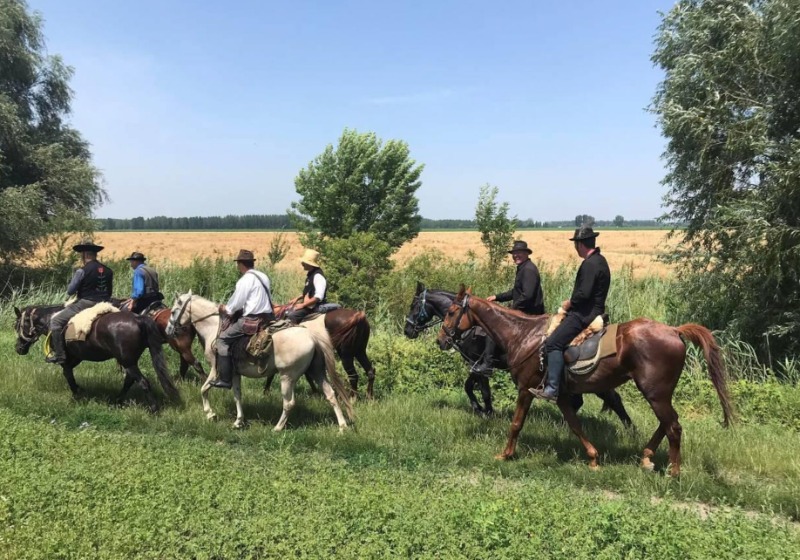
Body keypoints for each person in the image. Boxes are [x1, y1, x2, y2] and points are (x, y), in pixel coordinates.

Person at [530, 226, 611, 402]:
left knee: (552, 343)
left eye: (576, 244)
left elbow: (584, 293)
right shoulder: (601, 260)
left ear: (580, 244)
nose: (575, 248)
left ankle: (552, 389)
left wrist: (569, 303)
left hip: (584, 314)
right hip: (595, 310)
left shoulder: (589, 264)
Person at [471, 240, 545, 376]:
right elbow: (516, 292)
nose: (516, 255)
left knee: (494, 328)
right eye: (514, 253)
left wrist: (511, 309)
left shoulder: (528, 270)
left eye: (519, 253)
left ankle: (488, 364)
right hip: (523, 311)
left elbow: (527, 295)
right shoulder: (523, 267)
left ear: (526, 254)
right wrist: (497, 297)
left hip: (529, 314)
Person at [209, 250, 274, 389]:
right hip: (267, 318)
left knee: (222, 340)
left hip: (251, 320)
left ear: (240, 264)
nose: (238, 267)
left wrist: (224, 309)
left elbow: (234, 305)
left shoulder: (245, 280)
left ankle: (225, 379)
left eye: (238, 264)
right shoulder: (263, 276)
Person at [46, 239, 114, 364]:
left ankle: (60, 355)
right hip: (105, 303)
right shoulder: (108, 271)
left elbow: (70, 291)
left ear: (84, 255)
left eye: (81, 255)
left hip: (86, 303)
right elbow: (109, 292)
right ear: (95, 254)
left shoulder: (82, 271)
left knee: (55, 321)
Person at [286, 249, 327, 324]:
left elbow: (318, 296)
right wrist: (297, 298)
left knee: (292, 315)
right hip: (309, 305)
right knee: (286, 310)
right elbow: (310, 291)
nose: (302, 263)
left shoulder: (318, 276)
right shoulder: (311, 274)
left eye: (304, 262)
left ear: (310, 264)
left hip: (314, 307)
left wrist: (303, 305)